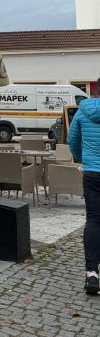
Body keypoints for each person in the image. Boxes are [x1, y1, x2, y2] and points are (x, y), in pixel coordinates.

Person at [68, 98, 100, 295]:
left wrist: (83, 158)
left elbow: (73, 139)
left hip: (92, 173)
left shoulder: (84, 110)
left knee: (94, 220)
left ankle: (92, 273)